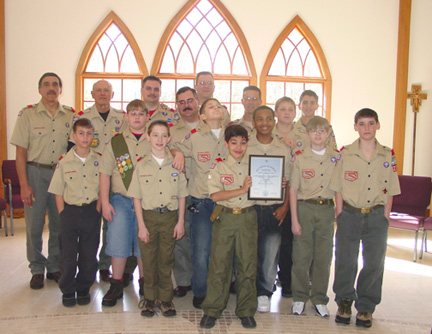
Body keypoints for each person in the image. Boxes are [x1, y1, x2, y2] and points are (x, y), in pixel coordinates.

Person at [330, 108, 400, 328]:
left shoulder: (388, 155)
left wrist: (386, 216)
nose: (367, 128)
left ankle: (366, 307)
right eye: (362, 124)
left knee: (374, 262)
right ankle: (344, 301)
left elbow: (391, 188)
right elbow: (338, 187)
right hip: (349, 214)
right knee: (346, 260)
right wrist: (339, 213)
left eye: (371, 123)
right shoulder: (345, 153)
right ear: (355, 127)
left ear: (378, 125)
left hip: (376, 216)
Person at [10, 72, 74, 289]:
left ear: (60, 89)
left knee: (58, 224)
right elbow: (20, 153)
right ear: (39, 90)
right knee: (34, 226)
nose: (51, 88)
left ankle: (54, 266)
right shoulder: (27, 115)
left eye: (55, 84)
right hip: (35, 174)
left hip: (60, 176)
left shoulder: (69, 116)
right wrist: (24, 185)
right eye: (46, 84)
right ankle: (37, 268)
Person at [200, 124, 258, 330]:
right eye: (234, 142)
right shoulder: (219, 167)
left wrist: (277, 184)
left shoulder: (255, 166)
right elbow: (216, 196)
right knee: (219, 266)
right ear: (226, 144)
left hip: (247, 219)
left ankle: (246, 310)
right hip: (224, 218)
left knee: (248, 266)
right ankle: (212, 310)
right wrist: (241, 189)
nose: (239, 147)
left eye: (243, 142)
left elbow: (264, 190)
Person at [128, 120, 188, 317]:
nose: (159, 139)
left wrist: (180, 222)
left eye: (164, 135)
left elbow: (182, 195)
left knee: (166, 260)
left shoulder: (176, 164)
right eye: (155, 135)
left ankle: (166, 300)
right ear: (148, 137)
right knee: (148, 260)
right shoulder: (141, 165)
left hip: (170, 218)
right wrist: (141, 226)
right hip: (148, 218)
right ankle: (149, 299)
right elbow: (136, 197)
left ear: (169, 138)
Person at [172, 98, 227, 309]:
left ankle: (220, 290)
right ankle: (201, 291)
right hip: (202, 202)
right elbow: (175, 149)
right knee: (201, 250)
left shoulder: (231, 136)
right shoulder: (194, 138)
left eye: (219, 106)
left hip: (226, 202)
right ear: (202, 116)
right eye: (211, 106)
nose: (216, 108)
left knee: (222, 251)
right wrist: (177, 153)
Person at [99, 99, 151, 306]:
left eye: (141, 113)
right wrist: (104, 201)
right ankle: (116, 284)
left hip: (146, 201)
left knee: (143, 244)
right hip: (120, 199)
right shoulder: (116, 142)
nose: (137, 117)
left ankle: (144, 283)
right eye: (133, 113)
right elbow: (104, 174)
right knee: (117, 242)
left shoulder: (155, 139)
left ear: (147, 117)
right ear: (126, 117)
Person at [74, 79, 126, 282]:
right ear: (92, 94)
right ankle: (87, 264)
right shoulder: (83, 117)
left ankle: (105, 265)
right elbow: (74, 148)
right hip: (89, 176)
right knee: (89, 223)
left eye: (107, 90)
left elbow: (125, 149)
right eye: (99, 90)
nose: (103, 93)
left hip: (114, 176)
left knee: (110, 221)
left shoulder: (122, 118)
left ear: (112, 95)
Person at [48, 118, 101, 307]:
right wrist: (63, 214)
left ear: (93, 136)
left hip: (91, 211)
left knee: (88, 254)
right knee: (68, 256)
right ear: (73, 136)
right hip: (69, 212)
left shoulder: (99, 160)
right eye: (81, 133)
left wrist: (98, 210)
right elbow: (58, 191)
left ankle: (83, 287)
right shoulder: (64, 162)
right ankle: (68, 289)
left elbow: (102, 189)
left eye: (89, 133)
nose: (85, 137)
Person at [289, 116, 338, 317]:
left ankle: (319, 298)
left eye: (322, 131)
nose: (318, 135)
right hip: (304, 208)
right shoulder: (300, 158)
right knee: (301, 256)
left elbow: (339, 190)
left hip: (326, 209)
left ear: (328, 134)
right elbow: (293, 189)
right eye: (314, 131)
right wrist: (294, 219)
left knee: (323, 257)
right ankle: (299, 297)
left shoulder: (336, 158)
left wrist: (339, 214)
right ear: (307, 134)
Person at [246, 105, 291, 313]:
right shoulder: (245, 146)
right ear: (253, 123)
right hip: (250, 206)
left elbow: (290, 182)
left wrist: (285, 206)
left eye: (268, 119)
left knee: (270, 252)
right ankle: (247, 291)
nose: (264, 123)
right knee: (249, 252)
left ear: (274, 121)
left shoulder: (283, 148)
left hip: (274, 208)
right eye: (259, 119)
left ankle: (264, 292)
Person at [169, 87, 202, 298]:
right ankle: (183, 280)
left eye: (190, 100)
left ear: (198, 101)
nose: (186, 105)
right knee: (180, 237)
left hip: (207, 192)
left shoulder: (211, 127)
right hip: (180, 191)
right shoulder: (171, 132)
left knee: (205, 240)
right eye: (181, 102)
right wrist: (175, 150)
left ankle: (205, 278)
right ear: (177, 105)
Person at [273, 97, 296, 298]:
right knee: (268, 242)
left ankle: (287, 281)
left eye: (290, 109)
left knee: (288, 243)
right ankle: (267, 280)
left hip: (294, 193)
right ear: (276, 112)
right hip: (268, 195)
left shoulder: (304, 136)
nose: (286, 112)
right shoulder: (265, 133)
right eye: (282, 109)